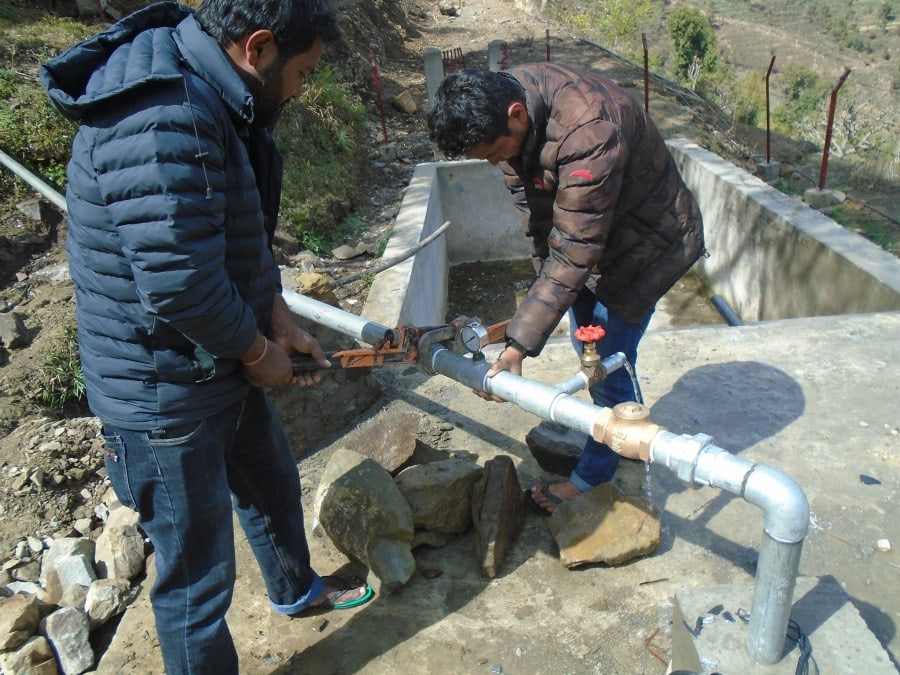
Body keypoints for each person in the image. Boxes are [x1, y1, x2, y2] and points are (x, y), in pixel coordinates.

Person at [41, 1, 372, 672]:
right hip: (163, 390)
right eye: (303, 72)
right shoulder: (163, 115)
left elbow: (230, 232)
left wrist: (273, 316)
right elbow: (178, 281)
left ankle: (295, 589)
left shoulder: (208, 90)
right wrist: (255, 351)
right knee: (196, 577)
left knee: (272, 481)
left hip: (207, 356)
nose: (304, 90)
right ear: (258, 48)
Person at [427, 65, 704, 515]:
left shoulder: (588, 129)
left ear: (516, 114)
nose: (497, 163)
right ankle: (615, 428)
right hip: (598, 239)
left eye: (496, 152)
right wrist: (539, 304)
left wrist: (518, 345)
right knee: (589, 348)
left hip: (648, 246)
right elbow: (541, 226)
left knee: (609, 358)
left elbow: (574, 250)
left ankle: (594, 475)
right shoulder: (509, 106)